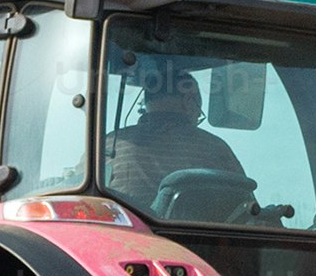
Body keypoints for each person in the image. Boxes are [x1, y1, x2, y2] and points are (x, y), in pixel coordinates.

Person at [102, 57, 252, 217]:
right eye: (198, 104)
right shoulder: (215, 148)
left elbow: (82, 191)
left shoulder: (111, 144)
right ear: (188, 101)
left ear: (147, 103)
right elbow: (246, 208)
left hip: (125, 237)